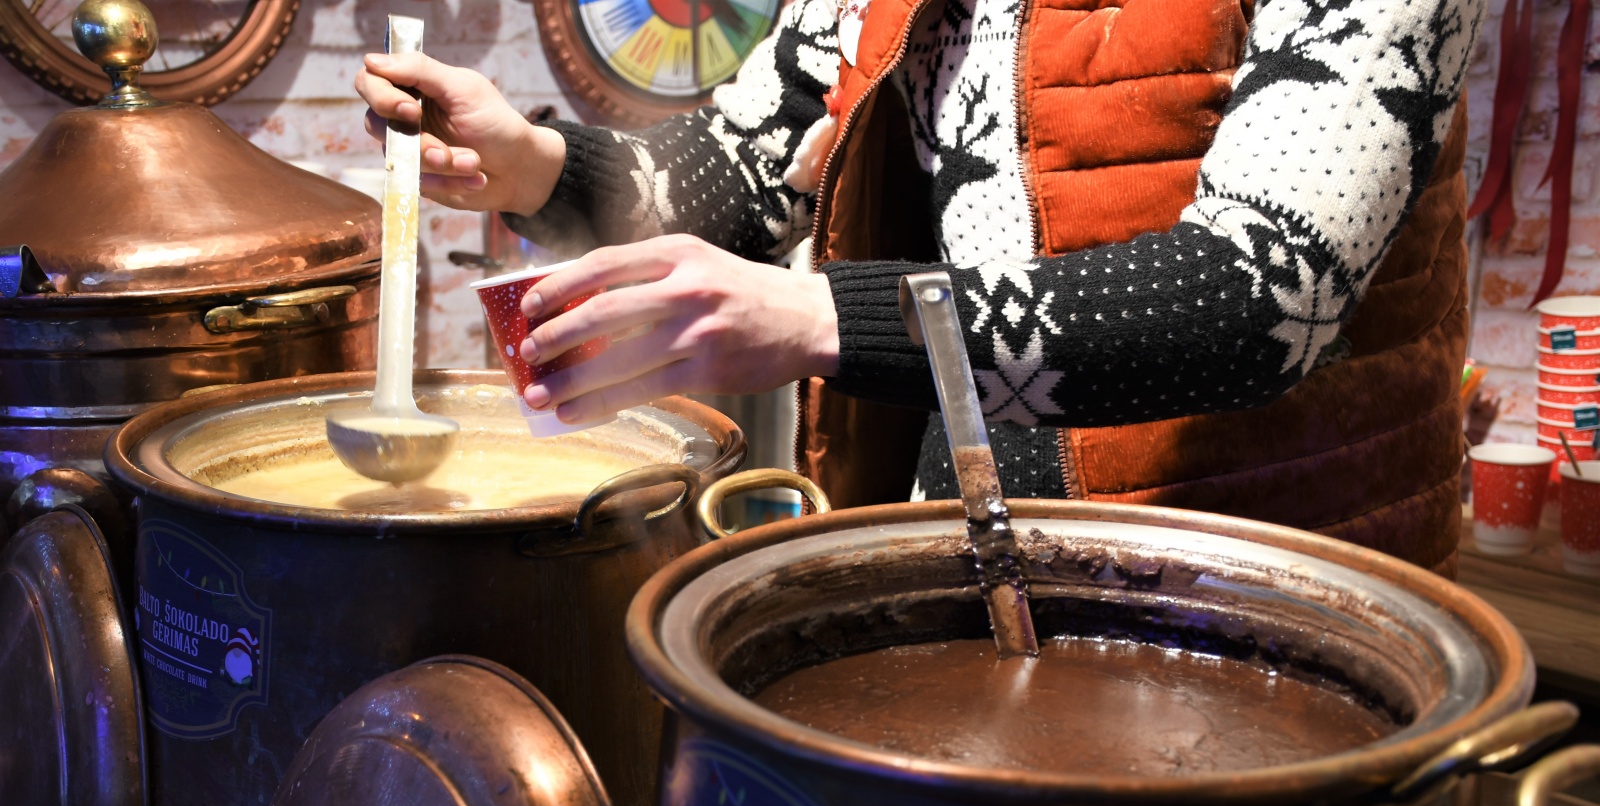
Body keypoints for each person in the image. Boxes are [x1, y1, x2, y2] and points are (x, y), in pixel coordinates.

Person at [356, 0, 1482, 574]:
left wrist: (812, 315)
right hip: (979, 545)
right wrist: (535, 164)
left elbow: (1263, 297)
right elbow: (751, 163)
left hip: (1258, 587)